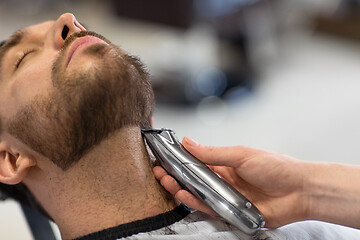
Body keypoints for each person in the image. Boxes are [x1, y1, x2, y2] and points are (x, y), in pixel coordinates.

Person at [0, 12, 359, 240]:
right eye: (24, 57)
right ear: (10, 158)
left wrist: (312, 190)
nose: (70, 20)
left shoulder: (297, 202)